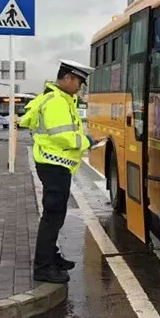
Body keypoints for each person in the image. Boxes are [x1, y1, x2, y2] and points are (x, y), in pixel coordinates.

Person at [20, 60, 96, 284]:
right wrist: (88, 141)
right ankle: (43, 268)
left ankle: (51, 257)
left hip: (55, 165)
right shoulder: (56, 102)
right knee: (52, 216)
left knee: (55, 215)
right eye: (79, 82)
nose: (80, 88)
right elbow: (63, 136)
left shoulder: (61, 99)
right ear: (68, 78)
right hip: (54, 165)